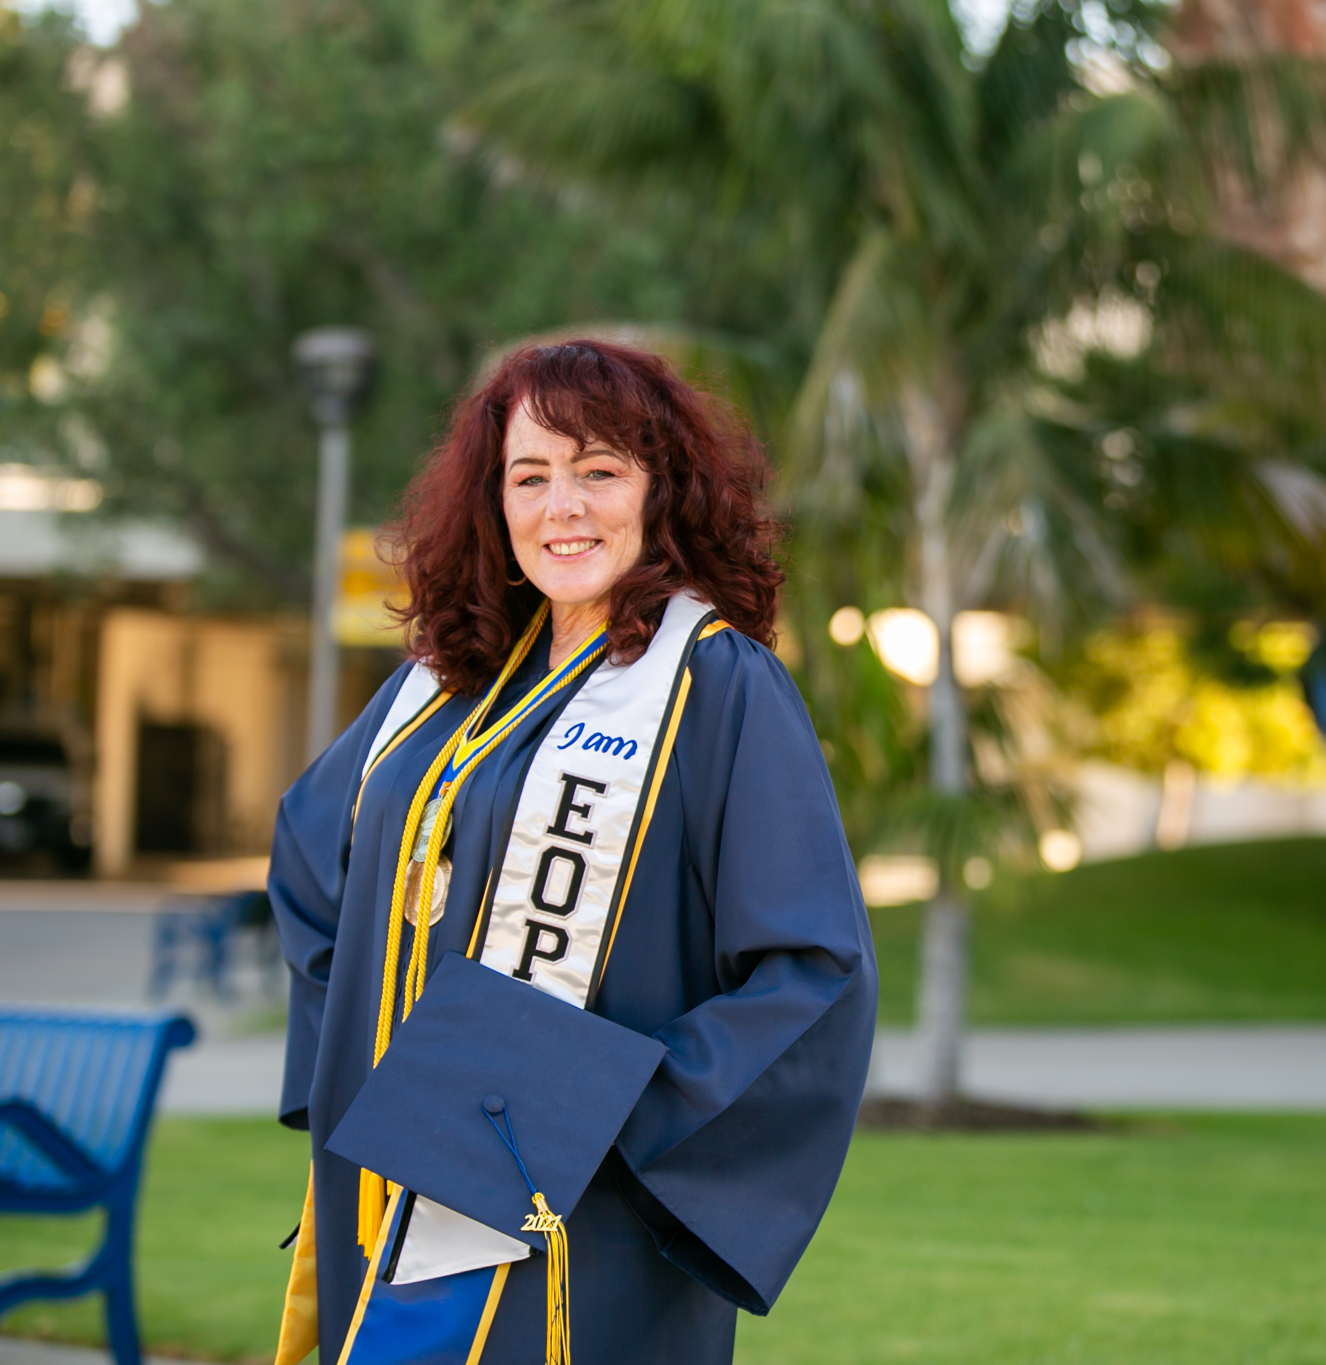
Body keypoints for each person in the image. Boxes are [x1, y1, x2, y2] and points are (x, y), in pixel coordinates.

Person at [268, 339, 876, 1365]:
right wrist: (376, 1060)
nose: (563, 507)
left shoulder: (714, 687)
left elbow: (810, 971)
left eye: (600, 471)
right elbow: (309, 866)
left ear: (661, 494)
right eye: (530, 476)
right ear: (492, 503)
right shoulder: (444, 687)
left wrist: (598, 1100)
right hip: (390, 1199)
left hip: (575, 1214)